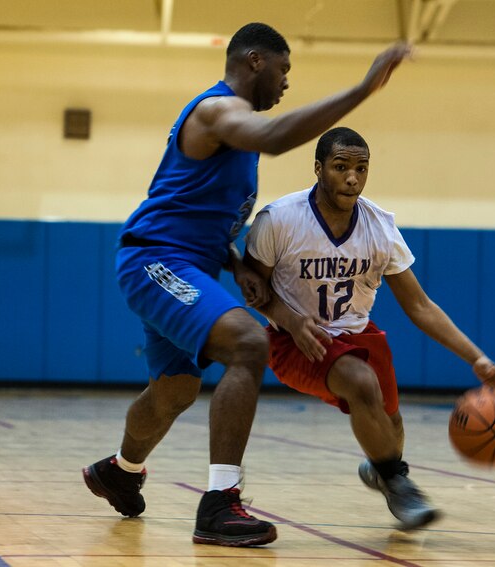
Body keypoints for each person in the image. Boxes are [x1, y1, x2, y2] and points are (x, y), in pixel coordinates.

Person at [83, 23, 412, 547]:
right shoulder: (218, 111)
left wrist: (236, 263)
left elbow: (201, 214)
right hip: (157, 260)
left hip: (194, 263)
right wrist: (360, 90)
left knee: (175, 390)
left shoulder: (234, 135)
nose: (285, 83)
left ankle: (120, 471)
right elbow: (278, 137)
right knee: (250, 342)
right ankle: (219, 503)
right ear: (256, 61)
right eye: (284, 71)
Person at [242, 126, 495, 530]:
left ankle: (382, 469)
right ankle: (398, 482)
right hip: (296, 341)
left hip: (358, 333)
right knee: (362, 384)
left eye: (361, 168)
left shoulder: (379, 227)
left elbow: (420, 305)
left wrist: (476, 359)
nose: (352, 177)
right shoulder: (279, 220)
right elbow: (254, 289)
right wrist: (290, 320)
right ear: (319, 169)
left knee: (389, 421)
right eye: (341, 167)